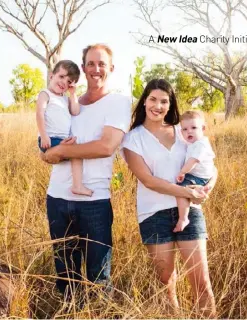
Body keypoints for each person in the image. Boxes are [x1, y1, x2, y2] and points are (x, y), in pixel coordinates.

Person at [121, 79, 217, 317]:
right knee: (166, 285)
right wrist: (187, 192)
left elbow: (210, 166)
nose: (158, 106)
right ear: (144, 101)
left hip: (190, 213)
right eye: (153, 99)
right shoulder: (132, 139)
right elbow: (149, 181)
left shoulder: (184, 131)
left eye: (164, 101)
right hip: (154, 215)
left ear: (170, 104)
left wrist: (206, 191)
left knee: (201, 282)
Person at [42, 44, 131, 297]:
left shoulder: (119, 102)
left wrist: (61, 153)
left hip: (94, 201)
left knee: (98, 279)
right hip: (57, 198)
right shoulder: (64, 102)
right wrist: (51, 153)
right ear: (82, 68)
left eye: (102, 64)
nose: (96, 69)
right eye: (90, 64)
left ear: (111, 69)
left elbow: (106, 146)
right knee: (66, 277)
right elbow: (46, 150)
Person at [36, 60, 93, 197]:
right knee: (77, 152)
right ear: (51, 75)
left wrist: (73, 94)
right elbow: (39, 114)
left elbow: (76, 111)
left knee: (77, 151)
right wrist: (44, 136)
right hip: (50, 139)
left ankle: (77, 185)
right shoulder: (45, 94)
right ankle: (77, 186)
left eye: (69, 81)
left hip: (61, 140)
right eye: (61, 77)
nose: (64, 83)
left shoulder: (64, 99)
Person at [174, 110, 216, 232]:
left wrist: (182, 172)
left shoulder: (200, 144)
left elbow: (193, 161)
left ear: (203, 128)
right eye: (185, 129)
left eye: (193, 127)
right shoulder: (193, 143)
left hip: (199, 177)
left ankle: (183, 218)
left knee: (181, 190)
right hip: (200, 175)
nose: (189, 131)